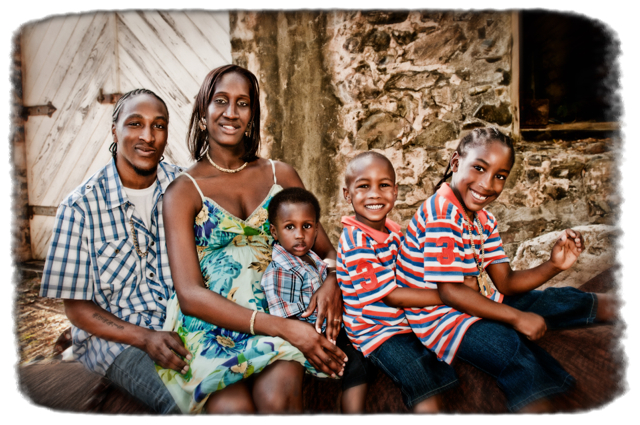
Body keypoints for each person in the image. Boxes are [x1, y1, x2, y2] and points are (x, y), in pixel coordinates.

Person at [156, 64, 346, 414]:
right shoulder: (182, 191)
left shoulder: (281, 174)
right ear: (203, 113)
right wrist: (285, 329)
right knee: (232, 409)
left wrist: (332, 278)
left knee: (277, 397)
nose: (231, 112)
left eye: (242, 103)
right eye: (220, 101)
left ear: (252, 115)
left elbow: (328, 248)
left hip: (282, 309)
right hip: (213, 326)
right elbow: (190, 295)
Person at [395, 127, 618, 412]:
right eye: (479, 168)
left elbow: (506, 283)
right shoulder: (442, 214)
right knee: (510, 350)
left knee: (553, 299)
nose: (487, 184)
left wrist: (553, 265)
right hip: (442, 319)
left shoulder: (483, 219)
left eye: (500, 176)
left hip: (481, 301)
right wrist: (517, 318)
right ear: (455, 163)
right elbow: (451, 292)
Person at [39, 88, 189, 414]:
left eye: (158, 125)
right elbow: (77, 309)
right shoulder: (79, 207)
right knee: (183, 403)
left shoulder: (186, 188)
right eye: (135, 124)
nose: (147, 136)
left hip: (184, 326)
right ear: (115, 130)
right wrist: (145, 337)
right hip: (118, 343)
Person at [337, 151, 458, 413]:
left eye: (383, 185)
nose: (374, 194)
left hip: (402, 323)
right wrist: (448, 295)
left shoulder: (392, 232)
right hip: (377, 332)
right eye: (363, 186)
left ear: (395, 191)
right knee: (419, 377)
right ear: (347, 194)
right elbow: (391, 295)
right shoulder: (356, 242)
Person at [261, 187, 374, 413]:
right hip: (315, 339)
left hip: (335, 327)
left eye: (307, 226)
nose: (300, 234)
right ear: (274, 232)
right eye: (290, 227)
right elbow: (287, 321)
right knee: (356, 365)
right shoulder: (281, 271)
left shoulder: (311, 258)